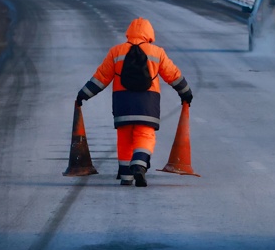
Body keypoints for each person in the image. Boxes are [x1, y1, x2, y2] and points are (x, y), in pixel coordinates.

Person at [76, 17, 193, 186]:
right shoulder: (157, 52)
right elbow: (172, 74)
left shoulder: (116, 52)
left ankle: (126, 176)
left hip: (122, 104)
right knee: (145, 135)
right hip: (147, 104)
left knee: (124, 139)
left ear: (129, 33)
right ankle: (139, 164)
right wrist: (185, 92)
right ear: (149, 34)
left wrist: (83, 95)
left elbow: (101, 78)